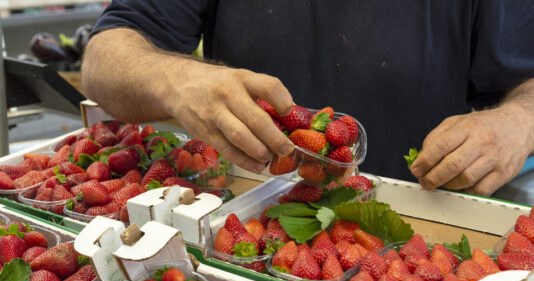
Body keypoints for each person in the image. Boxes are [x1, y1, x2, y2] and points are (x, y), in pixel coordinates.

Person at [82, 1, 534, 196]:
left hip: (419, 223)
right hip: (245, 216)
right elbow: (102, 61)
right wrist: (175, 79)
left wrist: (517, 122)